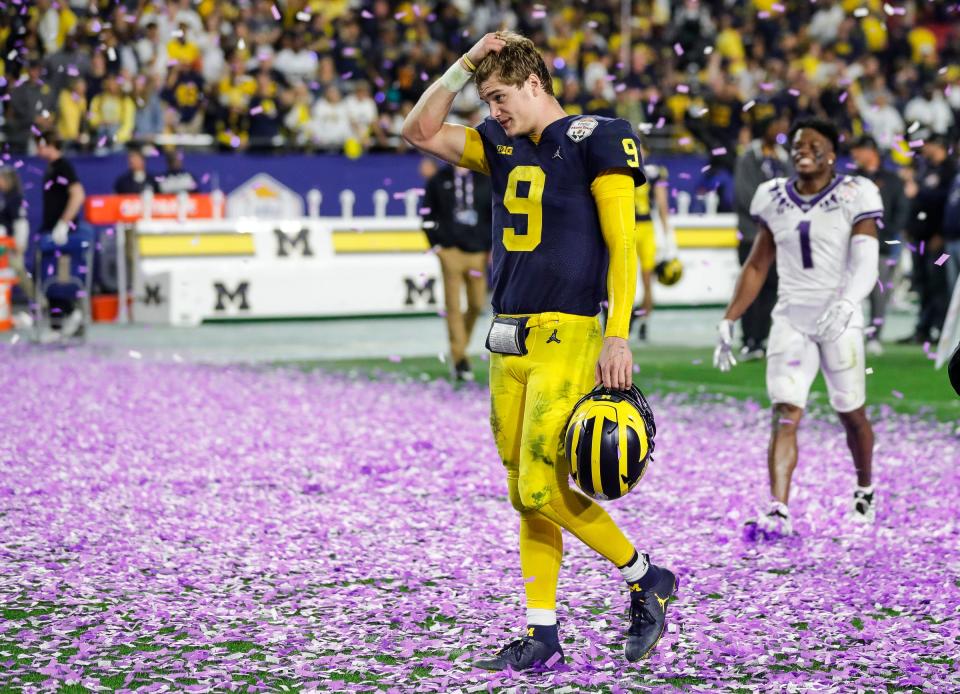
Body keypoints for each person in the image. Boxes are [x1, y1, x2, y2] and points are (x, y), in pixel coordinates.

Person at [401, 31, 676, 671]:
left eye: (499, 96)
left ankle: (646, 575)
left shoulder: (597, 137)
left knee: (534, 484)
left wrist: (617, 331)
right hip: (509, 330)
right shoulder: (497, 143)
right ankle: (543, 630)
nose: (492, 110)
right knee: (525, 487)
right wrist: (464, 62)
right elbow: (419, 129)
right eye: (485, 98)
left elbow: (623, 241)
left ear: (534, 83)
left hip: (569, 329)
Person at [714, 118, 883, 537]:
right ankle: (778, 507)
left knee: (851, 412)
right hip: (791, 316)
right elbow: (757, 264)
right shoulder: (773, 197)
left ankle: (864, 486)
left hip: (838, 317)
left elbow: (866, 260)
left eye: (814, 143)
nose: (802, 149)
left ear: (832, 152)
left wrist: (848, 301)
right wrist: (730, 317)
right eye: (797, 143)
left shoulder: (854, 192)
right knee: (786, 411)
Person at [421, 164, 493, 381]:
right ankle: (460, 358)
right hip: (450, 251)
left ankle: (460, 349)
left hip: (477, 252)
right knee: (453, 306)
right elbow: (427, 214)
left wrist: (490, 247)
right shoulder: (438, 179)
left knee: (476, 304)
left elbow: (493, 213)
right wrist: (438, 246)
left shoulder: (483, 179)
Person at [732, 113, 791, 360]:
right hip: (751, 234)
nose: (780, 130)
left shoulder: (784, 158)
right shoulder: (749, 157)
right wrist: (769, 213)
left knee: (771, 287)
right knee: (750, 287)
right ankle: (749, 339)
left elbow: (792, 189)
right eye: (776, 125)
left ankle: (763, 337)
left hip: (777, 236)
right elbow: (744, 194)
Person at [849, 135, 911, 355]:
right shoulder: (851, 179)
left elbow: (902, 210)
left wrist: (887, 235)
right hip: (853, 244)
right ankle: (849, 334)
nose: (854, 155)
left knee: (879, 292)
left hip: (882, 246)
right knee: (851, 291)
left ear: (871, 151)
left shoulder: (892, 180)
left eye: (857, 150)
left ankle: (874, 335)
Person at [901, 135, 956, 344]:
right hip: (919, 239)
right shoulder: (925, 169)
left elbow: (947, 202)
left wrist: (941, 234)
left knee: (939, 283)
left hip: (939, 241)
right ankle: (922, 328)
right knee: (921, 281)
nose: (925, 149)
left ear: (939, 146)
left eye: (929, 145)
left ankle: (940, 329)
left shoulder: (950, 171)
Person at [37, 130, 87, 337]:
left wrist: (63, 224)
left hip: (63, 235)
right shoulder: (52, 168)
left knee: (59, 278)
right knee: (49, 276)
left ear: (49, 144)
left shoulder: (63, 167)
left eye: (39, 144)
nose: (37, 149)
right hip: (51, 232)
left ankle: (67, 316)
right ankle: (61, 320)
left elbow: (78, 194)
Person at [632, 143, 671, 341]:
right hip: (630, 228)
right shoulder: (625, 167)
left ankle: (643, 321)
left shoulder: (653, 172)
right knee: (625, 279)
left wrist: (668, 235)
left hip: (643, 228)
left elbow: (662, 204)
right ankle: (631, 319)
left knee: (647, 279)